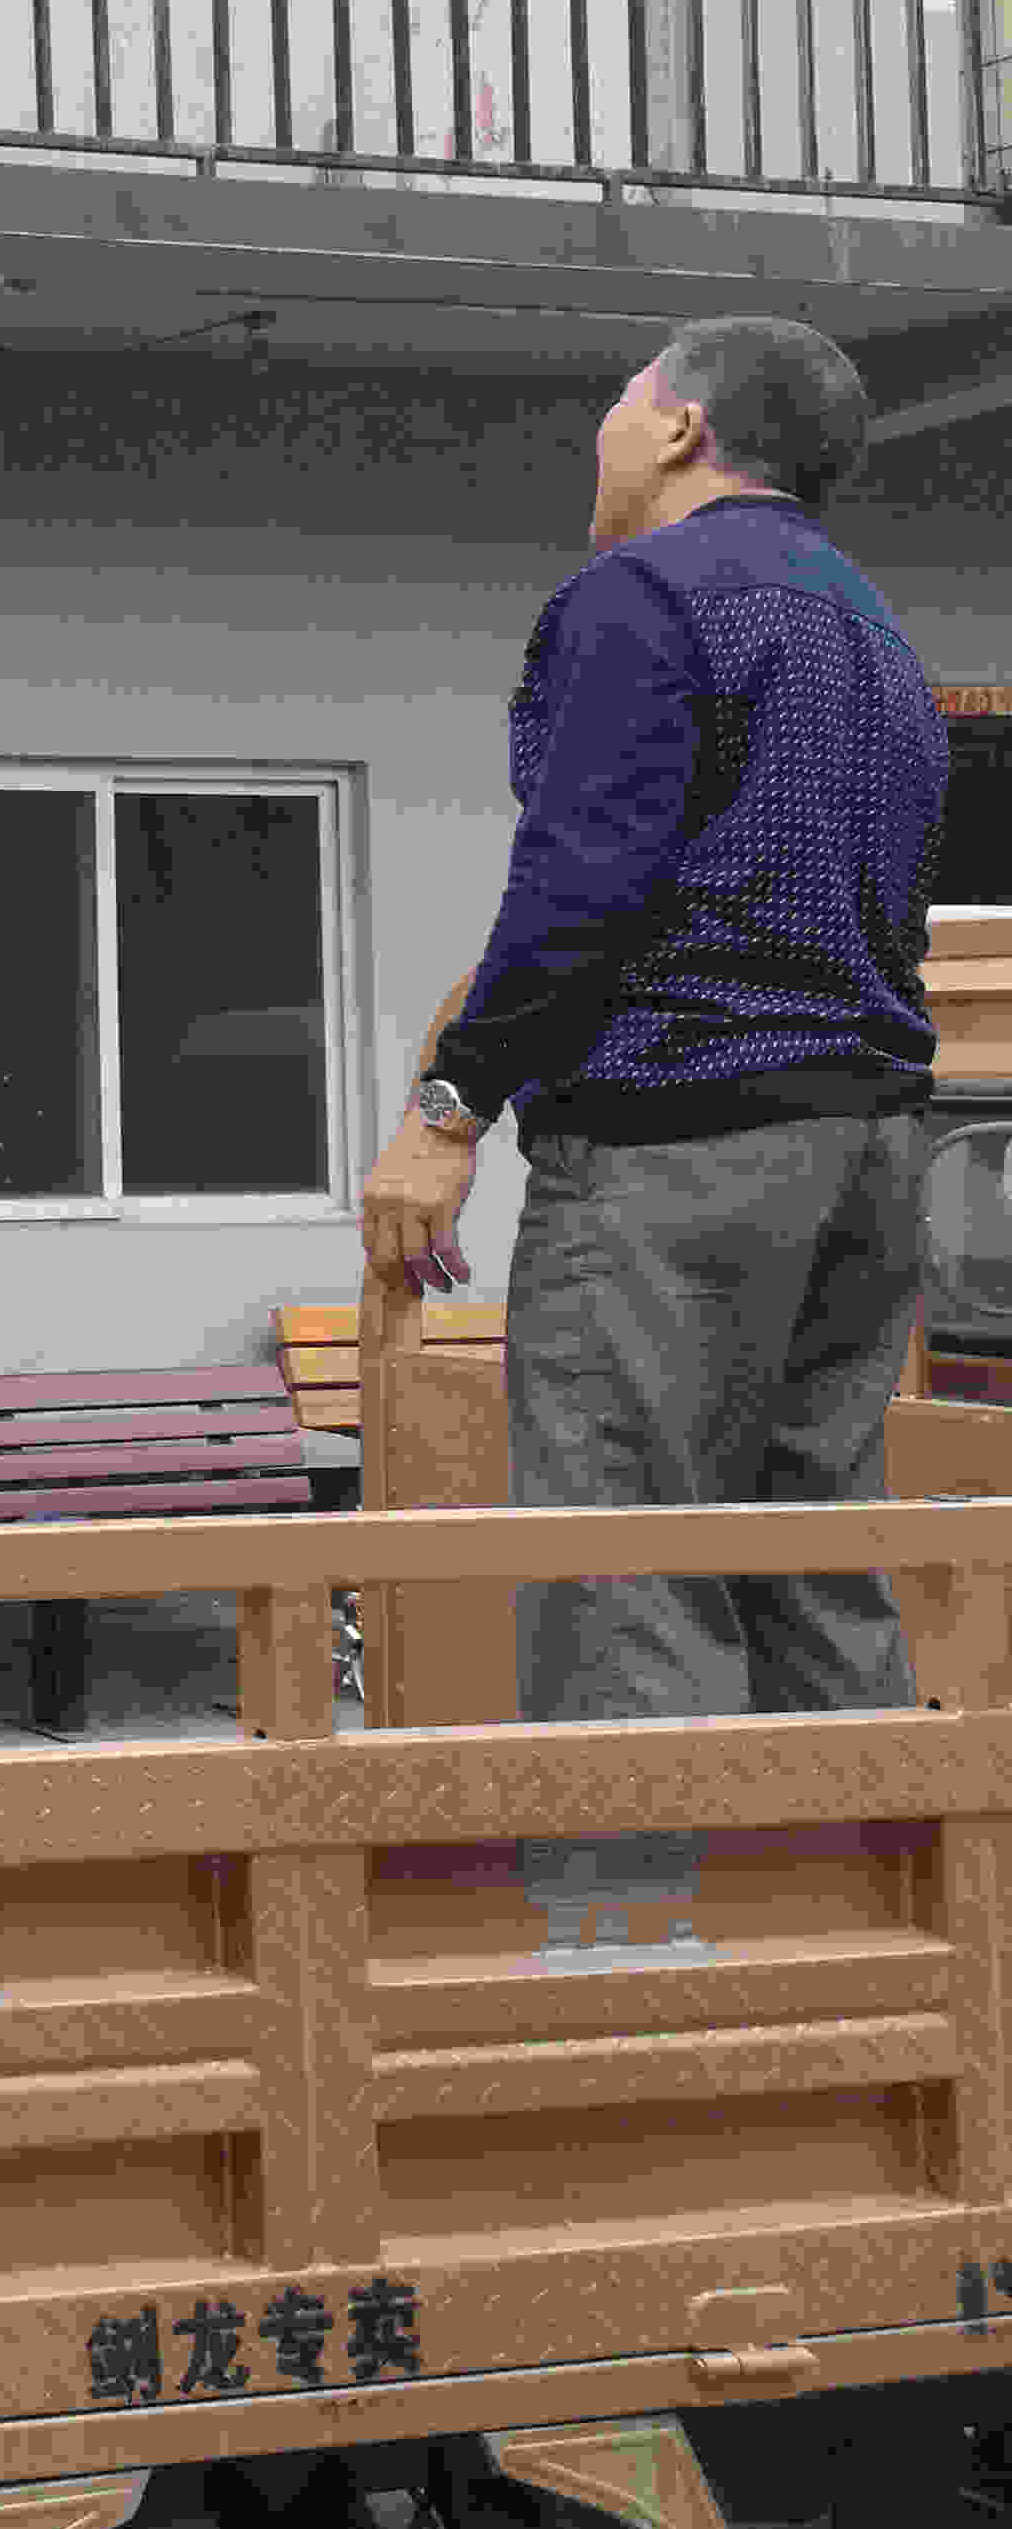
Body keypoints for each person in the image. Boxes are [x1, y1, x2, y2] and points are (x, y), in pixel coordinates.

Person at [362, 317, 950, 1723]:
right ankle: (856, 1863)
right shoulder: (878, 633)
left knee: (624, 1567)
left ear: (685, 427)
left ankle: (641, 1869)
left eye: (624, 404)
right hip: (869, 1153)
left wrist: (451, 1105)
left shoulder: (643, 595)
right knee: (815, 1561)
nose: (607, 433)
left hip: (679, 1151)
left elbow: (584, 881)